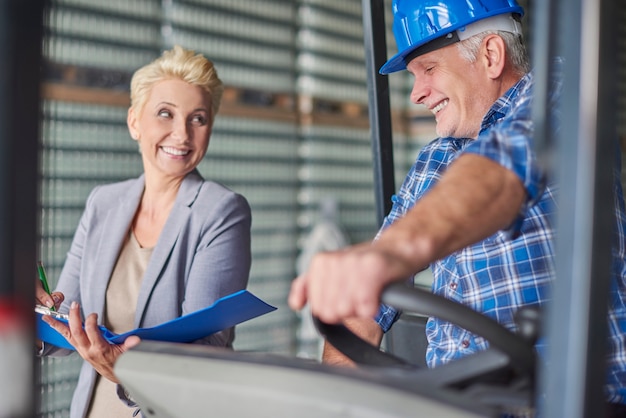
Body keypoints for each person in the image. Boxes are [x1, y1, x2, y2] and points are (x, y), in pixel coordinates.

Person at [288, 0, 626, 414]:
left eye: (428, 70)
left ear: (490, 55)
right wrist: (335, 402)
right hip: (453, 405)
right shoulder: (436, 158)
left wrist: (394, 254)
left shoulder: (564, 94)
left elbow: (505, 166)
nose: (416, 95)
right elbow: (364, 307)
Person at [35, 45, 252, 418]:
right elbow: (69, 327)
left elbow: (207, 350)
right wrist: (33, 314)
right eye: (165, 114)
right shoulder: (103, 202)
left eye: (197, 119)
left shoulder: (220, 211)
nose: (182, 134)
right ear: (134, 121)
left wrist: (127, 375)